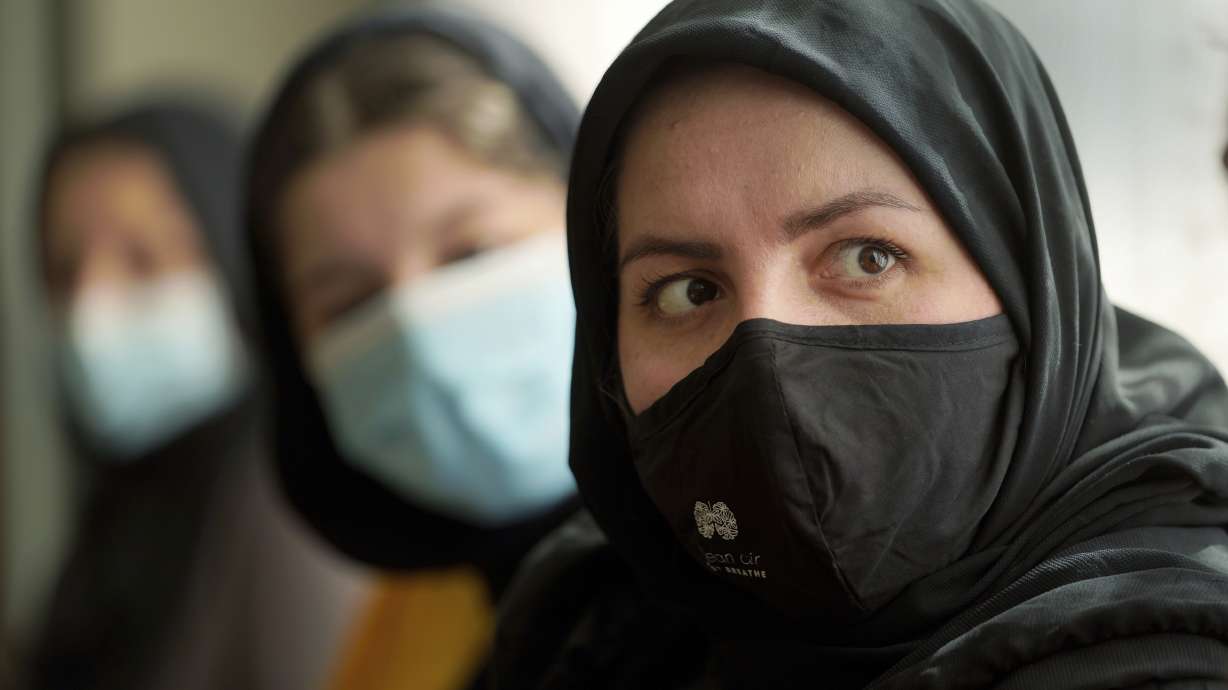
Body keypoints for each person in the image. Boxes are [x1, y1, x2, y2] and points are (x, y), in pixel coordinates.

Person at [494, 0, 1228, 687]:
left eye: (867, 257)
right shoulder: (590, 614)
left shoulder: (1166, 649)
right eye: (688, 291)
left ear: (1030, 281)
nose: (766, 357)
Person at [243, 9, 580, 688]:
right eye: (349, 302)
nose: (417, 334)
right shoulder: (405, 625)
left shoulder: (749, 585)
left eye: (470, 253)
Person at [29, 101, 367, 690]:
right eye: (63, 270)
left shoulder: (294, 503)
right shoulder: (119, 515)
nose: (89, 306)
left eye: (143, 258)